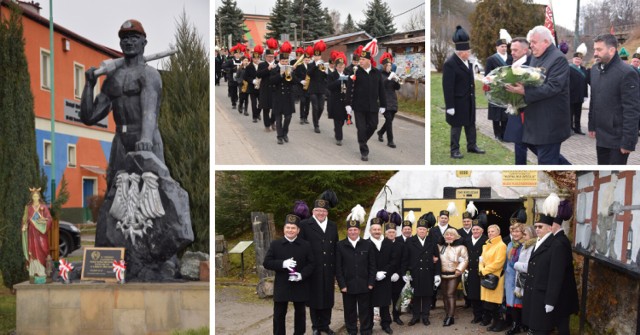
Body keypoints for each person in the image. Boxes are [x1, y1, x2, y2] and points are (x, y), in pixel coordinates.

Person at [81, 19, 166, 190]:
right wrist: (89, 85)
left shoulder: (149, 74)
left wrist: (146, 139)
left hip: (145, 138)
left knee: (154, 191)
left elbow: (149, 111)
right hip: (120, 140)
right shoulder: (113, 78)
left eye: (134, 37)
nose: (128, 42)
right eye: (124, 38)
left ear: (144, 42)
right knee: (114, 190)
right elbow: (89, 117)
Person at [505, 26, 571, 165]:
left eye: (534, 42)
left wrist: (524, 91)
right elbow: (532, 81)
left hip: (549, 124)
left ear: (546, 42)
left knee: (547, 164)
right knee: (550, 159)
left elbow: (553, 87)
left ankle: (570, 180)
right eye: (530, 42)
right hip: (535, 122)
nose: (531, 46)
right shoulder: (536, 57)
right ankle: (574, 175)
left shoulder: (558, 59)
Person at [588, 33, 640, 165]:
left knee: (616, 178)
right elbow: (594, 99)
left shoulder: (627, 73)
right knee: (602, 173)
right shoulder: (595, 70)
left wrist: (628, 142)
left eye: (599, 50)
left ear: (611, 50)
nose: (595, 53)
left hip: (618, 139)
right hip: (601, 136)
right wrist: (592, 125)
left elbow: (632, 110)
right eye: (595, 49)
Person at [263, 214, 315, 335]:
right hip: (282, 285)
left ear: (298, 230)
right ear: (284, 229)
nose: (290, 230)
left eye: (293, 228)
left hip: (300, 284)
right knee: (279, 314)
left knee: (300, 314)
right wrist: (283, 264)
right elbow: (267, 263)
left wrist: (301, 275)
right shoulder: (275, 244)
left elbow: (312, 264)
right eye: (288, 227)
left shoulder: (305, 245)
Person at [297, 196, 339, 335]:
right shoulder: (304, 225)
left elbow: (336, 248)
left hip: (329, 268)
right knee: (314, 298)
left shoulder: (333, 225)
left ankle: (325, 325)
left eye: (324, 211)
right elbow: (301, 248)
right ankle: (316, 326)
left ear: (327, 212)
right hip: (312, 269)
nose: (321, 213)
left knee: (328, 298)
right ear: (313, 211)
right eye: (318, 210)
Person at [442, 25, 485, 159]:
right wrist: (450, 106)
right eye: (468, 51)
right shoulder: (450, 63)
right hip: (457, 101)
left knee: (470, 124)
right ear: (461, 52)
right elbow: (447, 86)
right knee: (457, 126)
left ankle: (472, 145)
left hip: (469, 99)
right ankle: (454, 150)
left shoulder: (468, 62)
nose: (470, 53)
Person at [522, 193, 560, 334]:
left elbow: (555, 276)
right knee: (534, 327)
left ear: (550, 228)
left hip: (543, 295)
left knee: (541, 329)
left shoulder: (554, 245)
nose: (537, 229)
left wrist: (550, 300)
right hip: (533, 292)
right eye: (536, 227)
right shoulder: (537, 242)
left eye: (540, 227)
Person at [336, 206, 376, 335]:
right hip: (348, 285)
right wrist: (342, 285)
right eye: (350, 230)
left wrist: (371, 282)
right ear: (347, 231)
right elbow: (338, 267)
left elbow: (372, 265)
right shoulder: (340, 246)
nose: (353, 232)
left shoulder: (367, 244)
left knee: (365, 310)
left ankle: (366, 330)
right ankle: (352, 330)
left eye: (355, 229)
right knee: (350, 310)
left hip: (365, 284)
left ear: (359, 230)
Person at [345, 39, 387, 162]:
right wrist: (348, 104)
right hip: (359, 106)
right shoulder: (356, 72)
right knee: (361, 128)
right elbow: (350, 88)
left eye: (363, 60)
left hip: (373, 106)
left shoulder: (377, 73)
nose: (360, 62)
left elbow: (381, 90)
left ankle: (362, 140)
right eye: (360, 60)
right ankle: (364, 150)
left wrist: (383, 104)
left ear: (369, 60)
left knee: (373, 126)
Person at [400, 216, 441, 327]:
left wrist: (437, 274)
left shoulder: (432, 242)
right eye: (420, 229)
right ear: (416, 230)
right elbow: (405, 259)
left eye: (424, 229)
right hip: (415, 273)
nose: (422, 231)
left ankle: (425, 317)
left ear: (427, 231)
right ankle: (415, 317)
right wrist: (404, 273)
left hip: (428, 273)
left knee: (427, 296)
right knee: (416, 296)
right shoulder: (410, 241)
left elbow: (437, 259)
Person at [549, 200, 579, 335]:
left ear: (554, 225)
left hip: (563, 290)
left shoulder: (559, 242)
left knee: (562, 324)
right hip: (562, 288)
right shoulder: (560, 240)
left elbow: (558, 270)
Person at [368, 216, 399, 334]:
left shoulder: (388, 243)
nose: (376, 231)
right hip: (371, 278)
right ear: (370, 231)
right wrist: (375, 273)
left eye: (378, 229)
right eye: (374, 229)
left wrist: (385, 272)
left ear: (381, 230)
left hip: (385, 278)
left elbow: (393, 261)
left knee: (385, 303)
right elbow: (364, 262)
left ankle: (386, 324)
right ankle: (369, 325)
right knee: (370, 303)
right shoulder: (365, 243)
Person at [479, 224, 507, 332]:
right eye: (489, 231)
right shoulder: (486, 245)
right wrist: (481, 269)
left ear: (498, 233)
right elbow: (481, 260)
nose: (490, 233)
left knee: (496, 304)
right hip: (486, 277)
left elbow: (499, 263)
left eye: (493, 231)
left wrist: (484, 270)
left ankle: (500, 323)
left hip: (495, 278)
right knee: (489, 304)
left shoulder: (501, 245)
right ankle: (494, 323)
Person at [438, 228, 468, 327]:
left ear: (456, 237)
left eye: (451, 235)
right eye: (447, 235)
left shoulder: (461, 247)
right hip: (442, 274)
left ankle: (451, 317)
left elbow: (465, 260)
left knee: (450, 294)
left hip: (454, 274)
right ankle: (447, 314)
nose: (449, 236)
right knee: (444, 295)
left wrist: (459, 270)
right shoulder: (440, 246)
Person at [485, 37, 513, 142]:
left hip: (508, 89)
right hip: (496, 89)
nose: (504, 48)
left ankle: (505, 134)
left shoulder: (510, 58)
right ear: (497, 47)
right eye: (502, 46)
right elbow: (487, 75)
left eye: (506, 46)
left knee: (506, 112)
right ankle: (497, 134)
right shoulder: (491, 59)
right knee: (496, 112)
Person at [269, 42, 297, 145]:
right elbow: (271, 81)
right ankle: (279, 136)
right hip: (278, 96)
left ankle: (285, 133)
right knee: (278, 117)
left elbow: (294, 82)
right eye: (283, 61)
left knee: (288, 117)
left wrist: (291, 74)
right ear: (279, 60)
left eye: (286, 61)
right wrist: (280, 75)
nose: (285, 62)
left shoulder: (290, 69)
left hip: (288, 96)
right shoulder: (275, 69)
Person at [21, 188, 52, 280]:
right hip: (31, 233)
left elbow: (49, 218)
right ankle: (34, 272)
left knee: (43, 249)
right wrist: (24, 226)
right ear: (31, 197)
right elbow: (25, 219)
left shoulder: (44, 207)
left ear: (39, 197)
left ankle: (43, 271)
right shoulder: (28, 207)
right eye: (34, 196)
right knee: (32, 251)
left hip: (41, 233)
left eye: (37, 196)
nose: (35, 198)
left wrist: (44, 220)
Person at [464, 221, 488, 325]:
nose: (475, 231)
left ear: (482, 231)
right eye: (473, 229)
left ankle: (485, 316)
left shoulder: (486, 240)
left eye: (478, 229)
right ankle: (477, 316)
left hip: (483, 271)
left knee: (483, 296)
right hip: (471, 271)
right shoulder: (467, 240)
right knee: (473, 295)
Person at [504, 223, 525, 335]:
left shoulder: (525, 245)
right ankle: (515, 324)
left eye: (518, 231)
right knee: (511, 303)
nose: (515, 234)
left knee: (519, 301)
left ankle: (519, 324)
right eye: (513, 231)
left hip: (519, 277)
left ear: (523, 233)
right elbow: (507, 261)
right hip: (509, 276)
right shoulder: (510, 244)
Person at [377, 52, 401, 148]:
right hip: (384, 100)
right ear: (384, 66)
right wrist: (389, 78)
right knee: (389, 120)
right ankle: (390, 141)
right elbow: (382, 85)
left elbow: (397, 88)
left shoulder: (392, 75)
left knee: (389, 120)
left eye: (390, 65)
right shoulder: (380, 75)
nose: (389, 67)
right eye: (387, 65)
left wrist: (396, 80)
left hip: (393, 99)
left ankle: (380, 132)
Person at [326, 52, 351, 146]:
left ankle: (337, 129)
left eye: (343, 67)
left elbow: (350, 86)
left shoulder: (347, 73)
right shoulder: (331, 75)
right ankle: (339, 138)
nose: (341, 68)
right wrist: (338, 80)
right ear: (336, 67)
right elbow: (329, 86)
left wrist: (347, 80)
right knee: (337, 119)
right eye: (339, 67)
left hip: (344, 100)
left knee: (343, 119)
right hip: (335, 100)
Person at [390, 212, 410, 325]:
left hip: (399, 274)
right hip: (386, 275)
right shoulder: (385, 242)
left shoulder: (404, 244)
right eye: (390, 232)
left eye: (393, 232)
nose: (392, 234)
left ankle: (396, 316)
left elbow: (404, 260)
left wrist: (400, 273)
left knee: (397, 296)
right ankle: (385, 318)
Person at [257, 38, 278, 132]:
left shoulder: (277, 64)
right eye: (269, 56)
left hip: (274, 89)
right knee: (266, 109)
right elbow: (258, 74)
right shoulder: (262, 65)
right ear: (265, 57)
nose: (271, 58)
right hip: (265, 89)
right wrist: (268, 69)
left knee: (275, 109)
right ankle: (267, 125)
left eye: (272, 56)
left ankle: (272, 121)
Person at [308, 40, 328, 134]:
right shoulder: (311, 65)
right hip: (313, 89)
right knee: (315, 107)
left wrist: (326, 71)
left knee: (321, 108)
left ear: (320, 56)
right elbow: (309, 74)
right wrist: (316, 66)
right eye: (315, 56)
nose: (317, 57)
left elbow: (326, 77)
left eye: (318, 56)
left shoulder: (322, 65)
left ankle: (317, 119)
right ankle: (316, 125)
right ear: (313, 56)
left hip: (321, 89)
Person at [569, 45, 589, 135]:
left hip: (580, 95)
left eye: (579, 59)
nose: (577, 60)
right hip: (571, 94)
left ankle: (577, 128)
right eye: (576, 59)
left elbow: (585, 83)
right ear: (573, 59)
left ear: (581, 61)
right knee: (570, 113)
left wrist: (585, 95)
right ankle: (569, 128)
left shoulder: (584, 70)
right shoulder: (568, 68)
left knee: (578, 113)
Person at [244, 45, 263, 123]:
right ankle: (254, 117)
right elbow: (245, 77)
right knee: (254, 103)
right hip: (252, 88)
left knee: (261, 103)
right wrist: (252, 81)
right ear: (252, 59)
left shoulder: (262, 66)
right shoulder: (249, 67)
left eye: (257, 58)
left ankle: (258, 113)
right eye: (254, 58)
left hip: (261, 87)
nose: (256, 60)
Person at [223, 44, 244, 109]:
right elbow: (224, 66)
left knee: (242, 92)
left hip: (241, 78)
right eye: (236, 54)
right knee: (233, 91)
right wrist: (231, 70)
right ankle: (233, 103)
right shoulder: (230, 61)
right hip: (232, 78)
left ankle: (241, 103)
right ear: (234, 54)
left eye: (239, 54)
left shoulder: (243, 61)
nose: (238, 55)